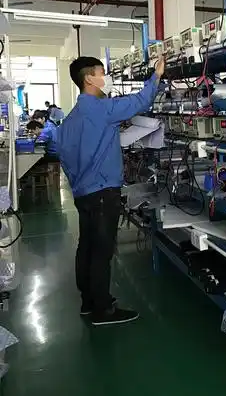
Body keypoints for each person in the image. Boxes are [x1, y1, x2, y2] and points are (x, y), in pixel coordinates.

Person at [57, 56, 164, 326]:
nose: (106, 78)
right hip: (104, 192)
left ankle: (89, 302)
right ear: (89, 79)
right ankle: (103, 310)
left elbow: (65, 158)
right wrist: (156, 76)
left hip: (83, 192)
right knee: (102, 250)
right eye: (102, 73)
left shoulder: (70, 119)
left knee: (87, 245)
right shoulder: (101, 109)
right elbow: (140, 101)